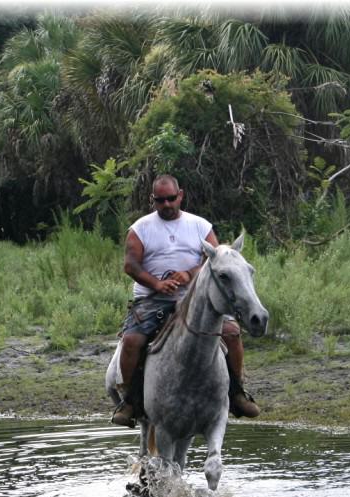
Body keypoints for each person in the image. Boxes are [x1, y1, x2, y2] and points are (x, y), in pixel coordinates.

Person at [111, 174, 260, 427]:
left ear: (180, 195)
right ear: (153, 200)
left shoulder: (200, 226)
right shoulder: (140, 228)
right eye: (161, 200)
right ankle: (130, 400)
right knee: (132, 340)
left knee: (232, 333)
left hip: (195, 299)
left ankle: (236, 392)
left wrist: (190, 274)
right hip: (152, 300)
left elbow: (216, 260)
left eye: (171, 198)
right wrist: (157, 283)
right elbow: (130, 265)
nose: (167, 204)